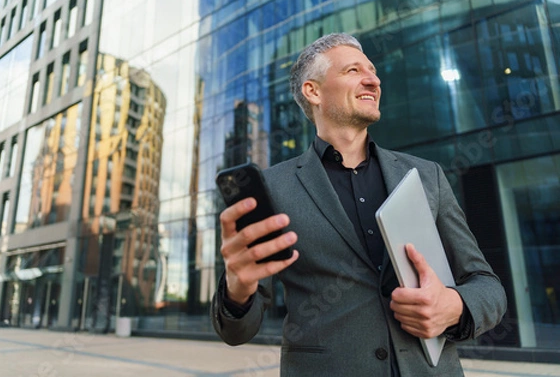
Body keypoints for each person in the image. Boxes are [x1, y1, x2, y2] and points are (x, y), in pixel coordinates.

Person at [211, 33, 507, 376]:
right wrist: (237, 286)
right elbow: (237, 331)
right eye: (353, 70)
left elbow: (487, 286)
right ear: (313, 91)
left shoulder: (427, 175)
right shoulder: (274, 188)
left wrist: (453, 305)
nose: (373, 79)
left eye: (373, 71)